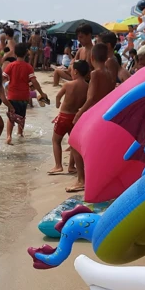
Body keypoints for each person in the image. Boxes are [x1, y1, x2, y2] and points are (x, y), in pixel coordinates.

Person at [67, 44, 118, 193]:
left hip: (93, 112)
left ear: (92, 57)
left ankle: (81, 180)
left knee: (75, 144)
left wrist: (79, 113)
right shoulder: (109, 74)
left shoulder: (96, 74)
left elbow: (91, 98)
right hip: (105, 112)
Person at [48, 60, 89, 175]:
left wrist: (57, 104)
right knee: (73, 143)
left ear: (75, 72)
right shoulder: (87, 86)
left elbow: (58, 96)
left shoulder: (68, 84)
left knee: (56, 140)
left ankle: (58, 165)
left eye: (71, 70)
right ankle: (71, 166)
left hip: (63, 117)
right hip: (75, 118)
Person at [5, 43, 48, 144]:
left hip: (12, 95)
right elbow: (34, 81)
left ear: (15, 54)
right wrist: (41, 93)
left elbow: (3, 78)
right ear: (26, 54)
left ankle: (8, 136)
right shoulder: (28, 67)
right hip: (23, 96)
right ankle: (20, 134)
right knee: (22, 116)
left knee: (11, 117)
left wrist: (2, 90)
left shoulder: (10, 66)